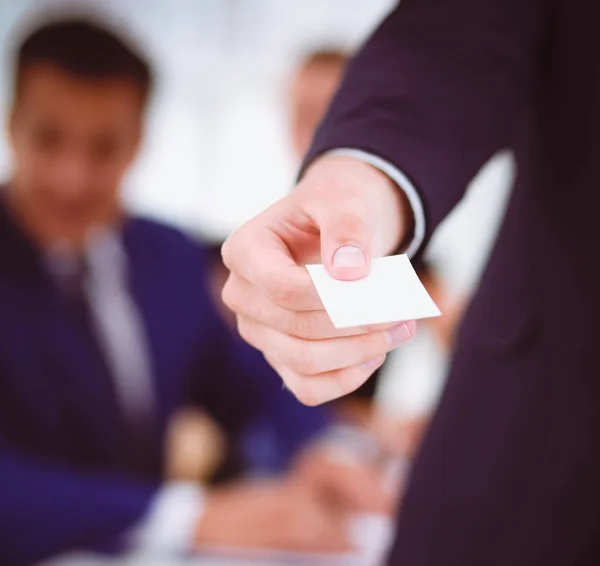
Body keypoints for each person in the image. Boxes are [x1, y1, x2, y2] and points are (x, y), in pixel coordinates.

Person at [0, 15, 389, 564]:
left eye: (104, 146)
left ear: (138, 142)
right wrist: (195, 515)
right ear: (13, 123)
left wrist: (320, 448)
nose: (73, 177)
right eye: (49, 139)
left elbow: (247, 380)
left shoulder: (167, 254)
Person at [221, 1, 600, 565]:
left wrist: (390, 427)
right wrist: (358, 179)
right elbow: (451, 42)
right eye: (307, 114)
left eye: (329, 109)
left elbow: (443, 329)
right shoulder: (241, 252)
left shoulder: (422, 275)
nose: (317, 128)